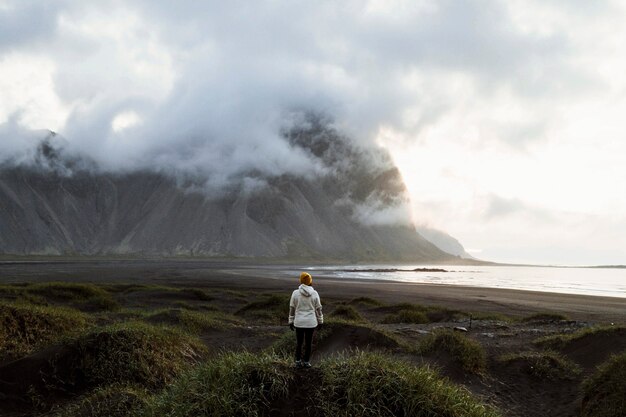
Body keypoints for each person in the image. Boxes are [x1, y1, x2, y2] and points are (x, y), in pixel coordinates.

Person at [288, 272, 323, 368]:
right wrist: (320, 321)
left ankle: (298, 362)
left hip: (299, 322)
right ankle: (306, 362)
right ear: (310, 281)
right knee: (308, 343)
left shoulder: (295, 293)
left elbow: (292, 308)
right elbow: (318, 309)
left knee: (299, 343)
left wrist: (291, 321)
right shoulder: (315, 293)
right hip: (311, 323)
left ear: (301, 281)